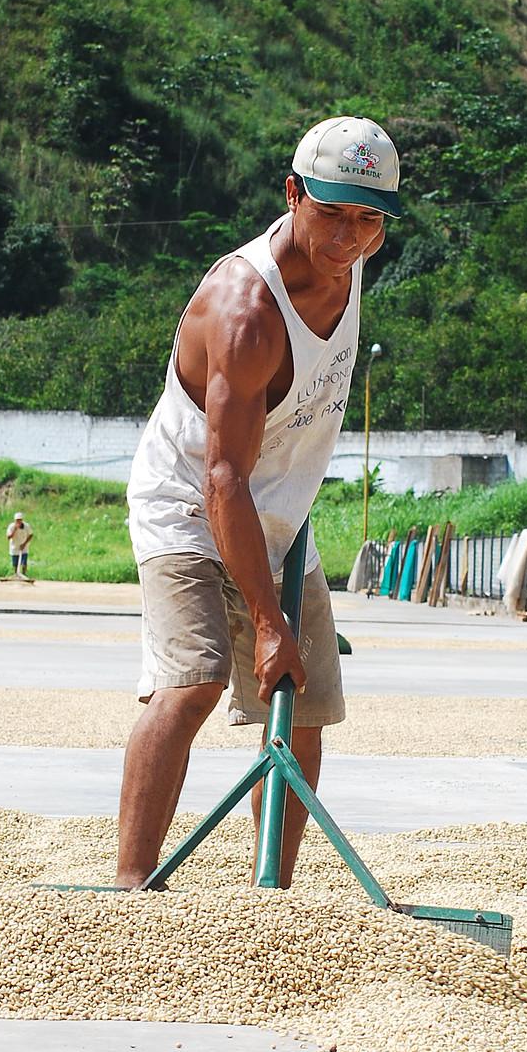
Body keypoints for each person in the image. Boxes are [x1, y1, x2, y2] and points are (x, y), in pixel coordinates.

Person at [116, 115, 402, 890]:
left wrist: (283, 630)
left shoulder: (349, 262)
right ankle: (129, 886)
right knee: (195, 680)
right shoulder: (245, 309)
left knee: (301, 703)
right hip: (190, 502)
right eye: (331, 211)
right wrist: (268, 622)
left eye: (368, 217)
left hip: (278, 513)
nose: (347, 236)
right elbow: (220, 480)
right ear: (291, 193)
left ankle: (268, 895)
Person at [6, 511, 33, 580]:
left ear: (22, 520)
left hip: (24, 547)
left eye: (20, 520)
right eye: (17, 520)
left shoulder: (26, 526)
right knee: (15, 564)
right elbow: (8, 537)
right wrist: (14, 530)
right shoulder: (11, 527)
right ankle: (16, 575)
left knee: (24, 563)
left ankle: (24, 575)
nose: (18, 522)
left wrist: (24, 544)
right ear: (15, 520)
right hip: (14, 547)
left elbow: (30, 535)